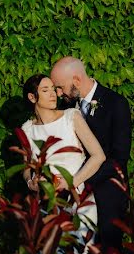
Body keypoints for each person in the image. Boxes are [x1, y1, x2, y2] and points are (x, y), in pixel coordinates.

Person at [50, 57, 131, 251]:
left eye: (60, 88)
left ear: (76, 80)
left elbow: (119, 158)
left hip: (107, 191)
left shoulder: (115, 103)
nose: (58, 94)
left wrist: (80, 180)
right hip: (72, 195)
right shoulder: (68, 109)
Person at [20, 74, 106, 242]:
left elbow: (98, 156)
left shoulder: (71, 117)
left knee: (82, 253)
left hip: (79, 198)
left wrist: (71, 182)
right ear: (32, 97)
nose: (53, 94)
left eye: (53, 89)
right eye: (45, 90)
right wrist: (32, 183)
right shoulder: (27, 130)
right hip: (47, 202)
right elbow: (26, 168)